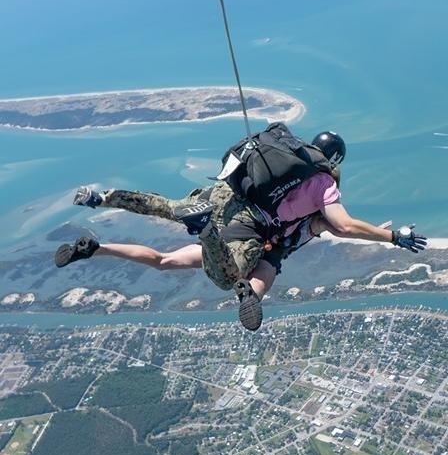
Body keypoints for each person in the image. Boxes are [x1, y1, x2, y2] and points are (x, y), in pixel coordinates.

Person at [55, 131, 427, 331]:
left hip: (219, 195)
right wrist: (391, 237)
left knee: (166, 246)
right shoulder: (320, 191)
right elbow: (343, 227)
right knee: (242, 275)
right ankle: (245, 291)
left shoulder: (284, 161)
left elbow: (344, 229)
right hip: (242, 232)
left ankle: (98, 223)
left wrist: (377, 232)